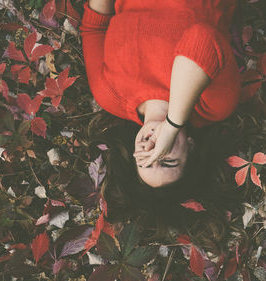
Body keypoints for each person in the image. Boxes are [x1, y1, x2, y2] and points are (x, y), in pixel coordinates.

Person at [79, 0, 245, 249]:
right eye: (167, 159)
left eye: (146, 160)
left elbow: (94, 26)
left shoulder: (109, 95)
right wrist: (172, 122)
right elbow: (202, 39)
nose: (156, 148)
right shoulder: (213, 105)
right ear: (190, 146)